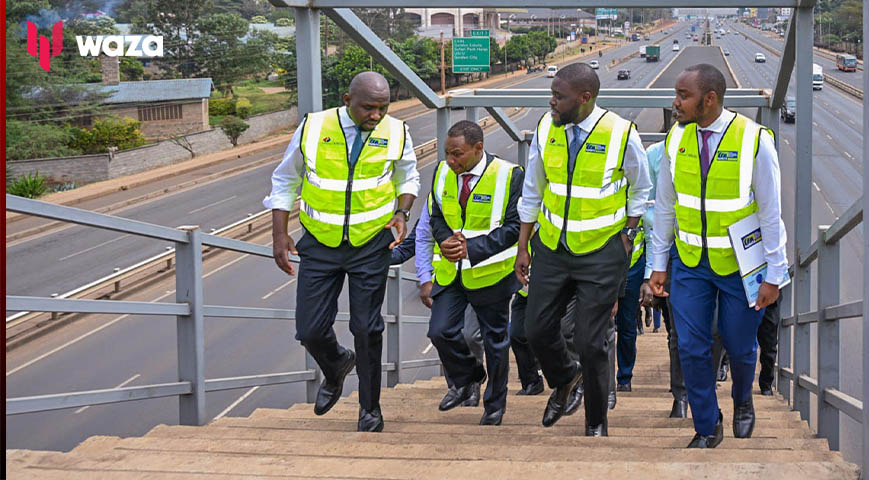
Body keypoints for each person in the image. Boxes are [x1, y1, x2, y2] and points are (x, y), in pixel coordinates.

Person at [264, 71, 420, 433]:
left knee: (367, 327)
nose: (376, 116)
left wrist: (402, 212)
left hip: (370, 242)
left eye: (383, 108)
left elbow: (408, 176)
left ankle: (370, 408)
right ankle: (335, 364)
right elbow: (285, 178)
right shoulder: (313, 127)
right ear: (347, 100)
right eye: (369, 108)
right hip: (320, 242)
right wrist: (279, 234)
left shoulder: (397, 131)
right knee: (309, 329)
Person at [649, 64, 788, 448]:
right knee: (691, 346)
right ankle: (707, 424)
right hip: (691, 263)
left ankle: (743, 400)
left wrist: (775, 274)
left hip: (740, 266)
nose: (675, 103)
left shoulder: (754, 139)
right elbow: (665, 207)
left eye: (683, 96)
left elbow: (771, 212)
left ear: (709, 99)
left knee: (741, 346)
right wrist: (658, 264)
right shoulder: (674, 141)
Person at [515, 62, 652, 436]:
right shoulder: (547, 127)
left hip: (601, 252)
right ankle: (565, 377)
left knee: (592, 342)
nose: (552, 102)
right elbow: (533, 189)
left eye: (559, 97)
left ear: (585, 98)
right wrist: (523, 246)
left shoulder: (622, 134)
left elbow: (641, 188)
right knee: (536, 329)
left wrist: (628, 233)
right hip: (553, 248)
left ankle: (596, 423)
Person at [428, 120, 524, 426]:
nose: (451, 161)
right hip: (451, 271)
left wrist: (473, 248)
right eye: (447, 154)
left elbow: (515, 227)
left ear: (478, 148)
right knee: (440, 332)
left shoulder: (509, 175)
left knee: (496, 342)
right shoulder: (442, 172)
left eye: (457, 154)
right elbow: (436, 214)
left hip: (489, 273)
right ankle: (469, 376)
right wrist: (444, 240)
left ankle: (495, 404)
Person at [389, 197, 486, 407]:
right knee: (444, 335)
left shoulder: (483, 202)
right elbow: (408, 247)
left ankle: (474, 384)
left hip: (478, 280)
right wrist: (369, 256)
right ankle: (459, 385)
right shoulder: (435, 207)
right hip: (444, 285)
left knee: (470, 334)